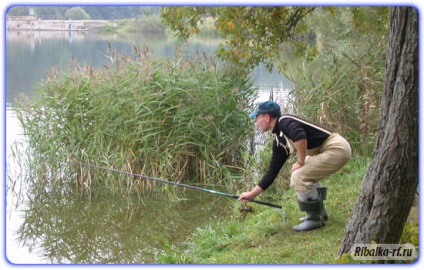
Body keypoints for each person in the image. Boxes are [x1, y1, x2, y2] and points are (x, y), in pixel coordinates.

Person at [239, 100, 351, 231]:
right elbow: (272, 171)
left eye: (257, 118)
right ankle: (319, 213)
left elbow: (300, 137)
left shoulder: (285, 122)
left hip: (336, 148)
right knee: (302, 172)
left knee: (298, 176)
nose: (256, 123)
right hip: (329, 149)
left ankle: (314, 219)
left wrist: (300, 161)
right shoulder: (279, 140)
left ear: (267, 117)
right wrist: (252, 194)